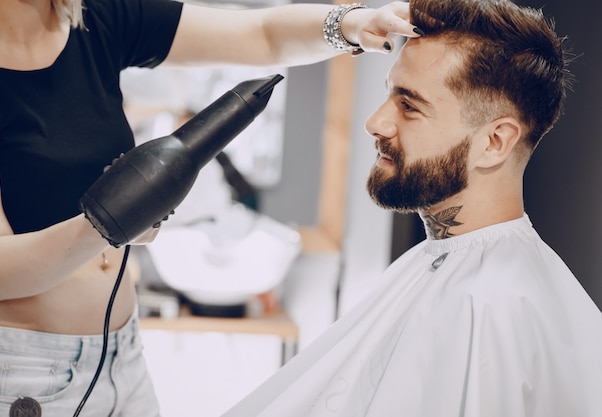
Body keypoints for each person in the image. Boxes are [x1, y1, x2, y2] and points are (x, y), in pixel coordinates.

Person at [0, 0, 423, 415]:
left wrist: (349, 26)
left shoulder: (98, 20)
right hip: (22, 370)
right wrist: (110, 222)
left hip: (123, 353)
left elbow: (260, 34)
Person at [220, 0, 602, 416]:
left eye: (410, 105)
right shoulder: (441, 262)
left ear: (494, 143)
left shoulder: (494, 308)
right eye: (390, 94)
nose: (376, 123)